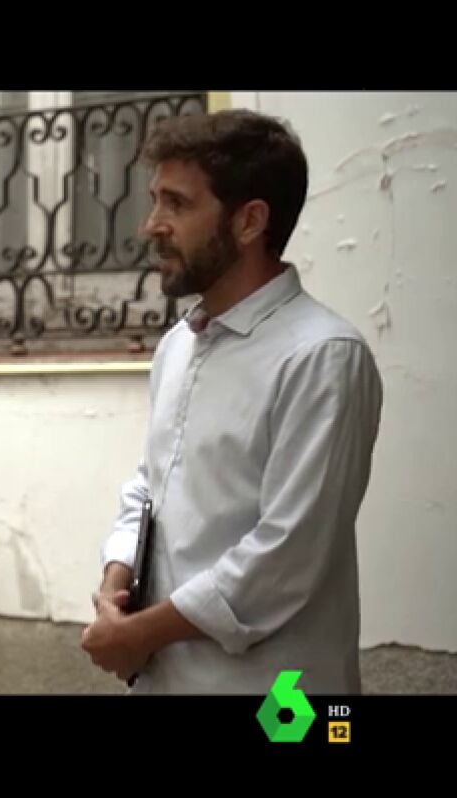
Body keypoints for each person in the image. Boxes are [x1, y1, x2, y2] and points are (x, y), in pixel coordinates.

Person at [81, 109, 384, 694]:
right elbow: (150, 486)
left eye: (176, 203)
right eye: (155, 200)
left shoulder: (323, 356)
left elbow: (288, 553)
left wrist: (140, 633)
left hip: (280, 701)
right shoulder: (178, 346)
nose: (151, 225)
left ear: (249, 221)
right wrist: (116, 581)